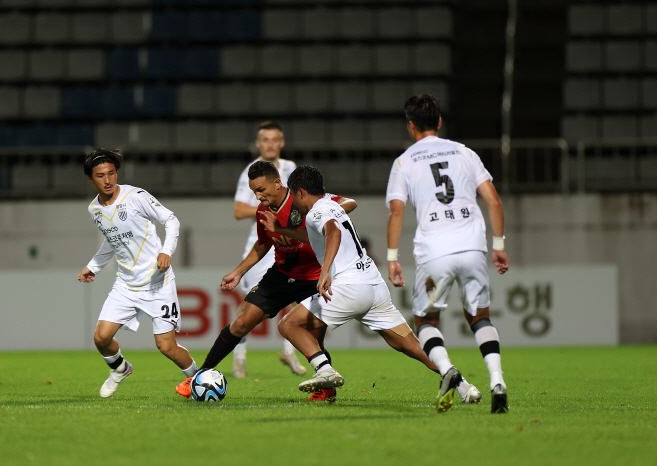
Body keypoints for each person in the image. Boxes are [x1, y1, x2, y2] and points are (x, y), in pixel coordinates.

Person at [275, 165, 460, 413]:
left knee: (288, 324)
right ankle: (463, 385)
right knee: (409, 344)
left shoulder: (316, 212)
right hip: (374, 286)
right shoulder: (331, 204)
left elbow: (332, 232)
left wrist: (325, 270)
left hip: (349, 287)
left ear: (299, 192)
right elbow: (325, 230)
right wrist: (281, 231)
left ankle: (325, 371)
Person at [175, 161, 356, 402]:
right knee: (240, 324)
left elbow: (349, 203)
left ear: (277, 183)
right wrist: (238, 272)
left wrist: (326, 212)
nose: (258, 197)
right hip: (280, 275)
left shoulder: (303, 201)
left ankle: (327, 388)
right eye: (254, 192)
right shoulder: (263, 211)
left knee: (315, 338)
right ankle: (199, 375)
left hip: (312, 278)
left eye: (261, 190)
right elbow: (263, 244)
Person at [386, 94, 510, 413]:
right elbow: (494, 201)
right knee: (480, 317)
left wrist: (391, 256)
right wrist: (498, 246)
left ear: (411, 125)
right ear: (439, 122)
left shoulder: (404, 162)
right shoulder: (465, 153)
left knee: (426, 320)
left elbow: (396, 212)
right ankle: (497, 379)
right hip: (472, 245)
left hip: (434, 251)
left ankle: (446, 369)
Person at [77, 149, 198, 398]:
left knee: (166, 347)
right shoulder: (94, 210)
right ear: (91, 179)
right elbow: (111, 241)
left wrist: (166, 251)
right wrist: (93, 266)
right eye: (101, 175)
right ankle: (120, 368)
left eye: (111, 173)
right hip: (127, 285)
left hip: (158, 283)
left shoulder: (136, 196)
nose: (108, 179)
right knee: (101, 337)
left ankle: (198, 379)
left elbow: (171, 220)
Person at [231, 121, 304, 378]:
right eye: (266, 140)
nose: (271, 144)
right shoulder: (249, 173)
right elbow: (239, 210)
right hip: (263, 241)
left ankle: (289, 350)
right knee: (251, 300)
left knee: (299, 294)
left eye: (275, 140)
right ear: (258, 144)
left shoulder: (291, 168)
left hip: (290, 240)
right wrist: (270, 206)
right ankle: (239, 357)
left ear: (281, 143)